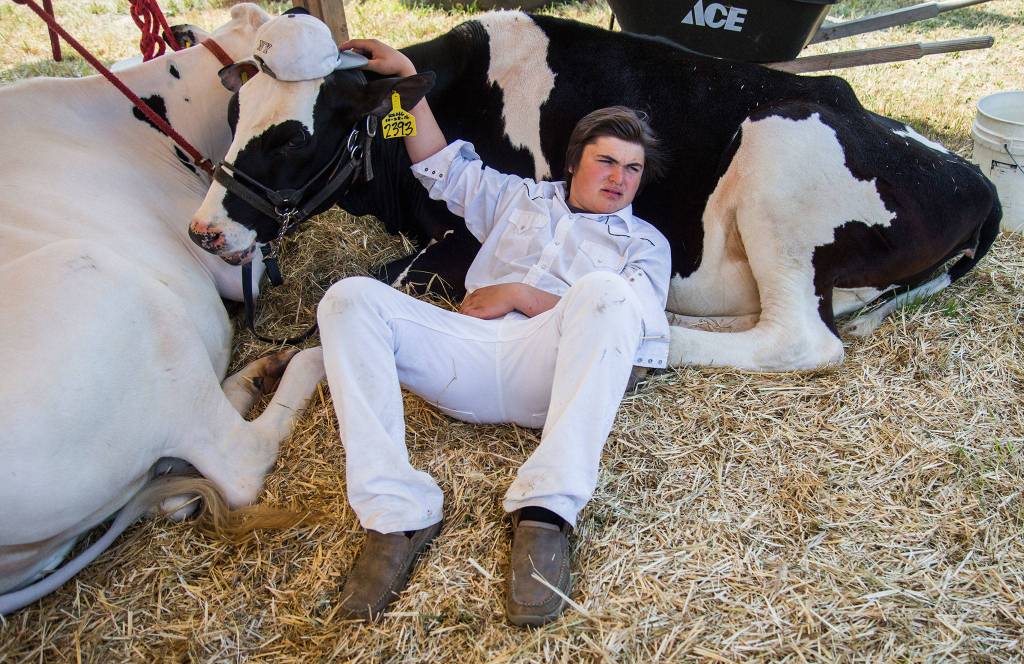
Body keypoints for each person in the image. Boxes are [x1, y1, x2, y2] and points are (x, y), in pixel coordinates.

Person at [317, 38, 671, 626]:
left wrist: (522, 294)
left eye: (632, 168)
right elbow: (437, 165)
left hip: (548, 375)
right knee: (349, 297)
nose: (620, 178)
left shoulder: (643, 244)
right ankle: (397, 512)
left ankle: (546, 512)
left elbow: (632, 332)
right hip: (465, 355)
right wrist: (406, 82)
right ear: (574, 161)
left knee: (608, 293)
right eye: (607, 161)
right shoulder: (519, 197)